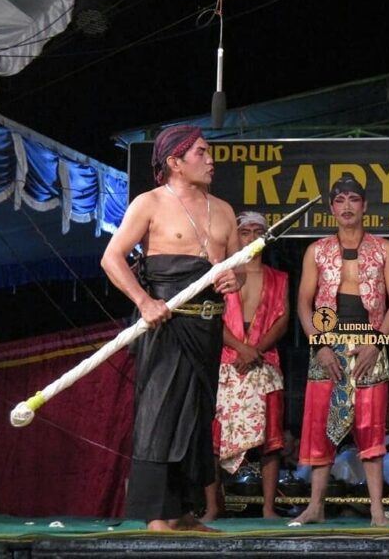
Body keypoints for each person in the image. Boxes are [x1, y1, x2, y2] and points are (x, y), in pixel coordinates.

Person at [101, 125, 243, 532]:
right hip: (165, 323)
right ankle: (156, 515)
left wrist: (236, 280)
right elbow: (112, 259)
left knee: (197, 417)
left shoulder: (225, 210)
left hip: (207, 328)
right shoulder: (149, 203)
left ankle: (183, 512)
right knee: (160, 414)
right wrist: (144, 302)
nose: (211, 159)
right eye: (202, 152)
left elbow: (237, 270)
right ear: (175, 162)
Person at [289, 176, 389, 527]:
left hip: (372, 341)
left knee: (371, 426)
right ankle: (315, 507)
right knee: (322, 424)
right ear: (332, 209)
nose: (347, 206)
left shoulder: (385, 248)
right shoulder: (317, 250)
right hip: (327, 344)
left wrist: (377, 342)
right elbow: (303, 305)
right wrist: (319, 345)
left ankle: (375, 511)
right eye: (340, 200)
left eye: (354, 199)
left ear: (365, 205)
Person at [204, 211, 289, 520]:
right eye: (245, 231)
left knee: (271, 440)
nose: (252, 237)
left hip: (264, 363)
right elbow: (212, 316)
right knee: (214, 439)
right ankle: (213, 506)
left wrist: (255, 350)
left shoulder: (279, 277)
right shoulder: (222, 274)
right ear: (236, 236)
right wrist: (241, 348)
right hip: (228, 360)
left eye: (258, 231)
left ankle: (268, 508)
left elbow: (283, 320)